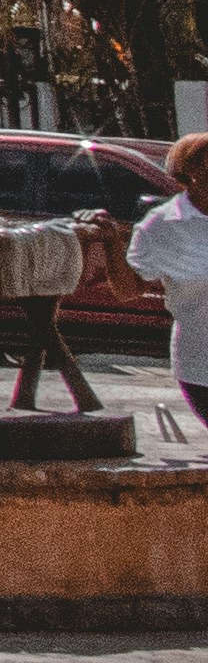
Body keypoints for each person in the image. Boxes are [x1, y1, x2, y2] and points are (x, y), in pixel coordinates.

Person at [131, 132, 208, 438]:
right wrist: (109, 240)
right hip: (201, 364)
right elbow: (130, 288)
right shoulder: (162, 225)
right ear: (190, 171)